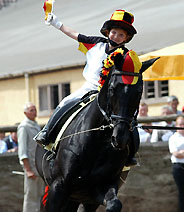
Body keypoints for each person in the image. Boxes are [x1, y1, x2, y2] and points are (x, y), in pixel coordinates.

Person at [34, 9, 138, 165]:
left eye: (121, 35)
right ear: (108, 32)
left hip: (111, 94)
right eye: (114, 32)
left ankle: (130, 155)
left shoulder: (126, 55)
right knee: (64, 103)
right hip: (89, 87)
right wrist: (56, 23)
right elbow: (74, 34)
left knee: (128, 122)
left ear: (127, 37)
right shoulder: (95, 43)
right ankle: (47, 133)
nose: (116, 36)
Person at [17, 102, 45, 212]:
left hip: (39, 168)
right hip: (31, 169)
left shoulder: (35, 125)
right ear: (25, 113)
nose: (34, 112)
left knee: (39, 196)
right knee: (31, 197)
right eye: (31, 110)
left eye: (35, 109)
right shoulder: (24, 127)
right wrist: (27, 169)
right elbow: (23, 150)